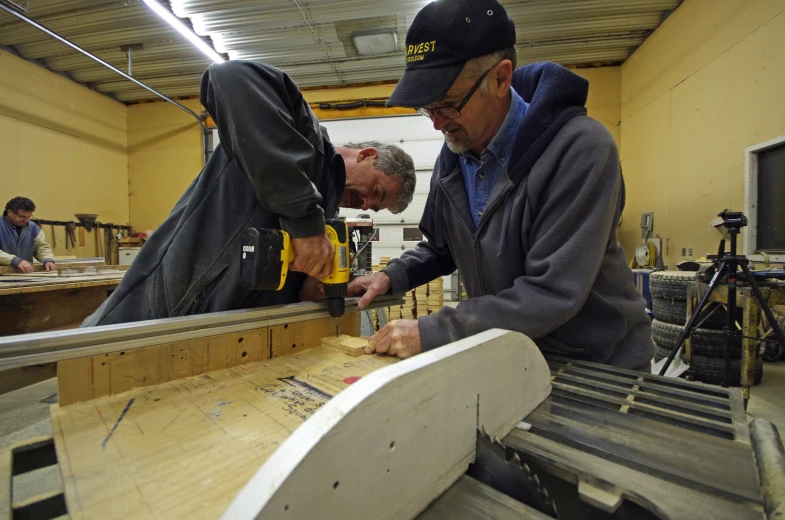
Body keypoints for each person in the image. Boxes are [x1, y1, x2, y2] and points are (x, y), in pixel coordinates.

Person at [349, 0, 655, 370]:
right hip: (511, 353)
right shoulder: (455, 153)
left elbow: (552, 291)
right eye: (428, 109)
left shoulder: (580, 149)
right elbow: (443, 248)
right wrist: (390, 276)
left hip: (594, 364)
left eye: (446, 104)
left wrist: (435, 331)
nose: (436, 124)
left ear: (500, 78)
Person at [82, 61, 415, 326]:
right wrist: (305, 222)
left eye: (376, 207)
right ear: (366, 155)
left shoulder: (324, 216)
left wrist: (308, 288)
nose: (367, 204)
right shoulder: (303, 137)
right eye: (376, 191)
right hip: (154, 317)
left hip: (213, 338)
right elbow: (229, 77)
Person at [1, 197, 56, 273]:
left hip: (24, 275)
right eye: (22, 217)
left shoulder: (33, 227)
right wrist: (15, 261)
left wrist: (48, 260)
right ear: (10, 212)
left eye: (29, 217)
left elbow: (41, 247)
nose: (26, 220)